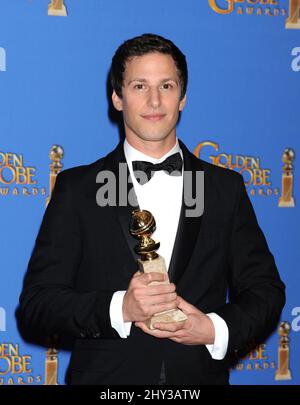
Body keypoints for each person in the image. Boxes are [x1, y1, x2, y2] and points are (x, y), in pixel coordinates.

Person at [19, 33, 285, 385]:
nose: (155, 100)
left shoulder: (224, 188)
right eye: (139, 86)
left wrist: (213, 328)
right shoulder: (78, 189)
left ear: (183, 97)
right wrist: (120, 309)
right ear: (117, 97)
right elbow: (38, 304)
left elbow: (265, 290)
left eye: (167, 86)